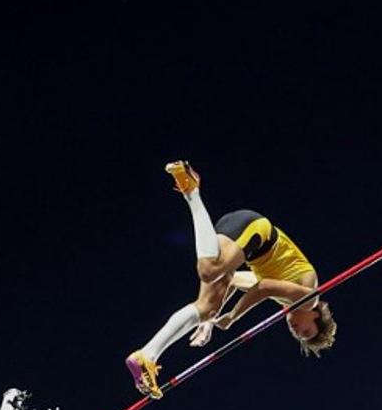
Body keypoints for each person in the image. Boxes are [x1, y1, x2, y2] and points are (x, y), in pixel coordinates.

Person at [125, 161, 337, 398]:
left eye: (299, 336)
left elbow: (236, 280)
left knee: (206, 307)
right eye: (306, 331)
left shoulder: (286, 296)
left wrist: (210, 320)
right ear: (316, 316)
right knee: (209, 270)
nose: (296, 331)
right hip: (257, 232)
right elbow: (264, 287)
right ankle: (192, 191)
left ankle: (147, 355)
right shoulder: (308, 299)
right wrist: (233, 317)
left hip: (245, 244)